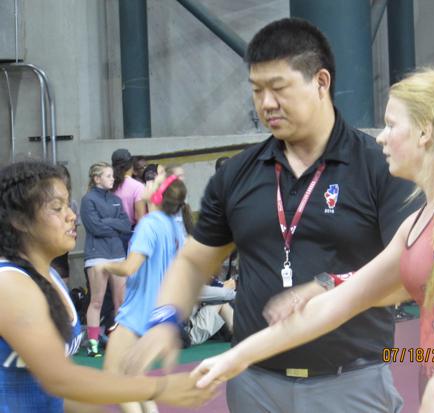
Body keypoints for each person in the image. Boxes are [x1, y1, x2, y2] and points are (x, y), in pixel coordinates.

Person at [193, 69, 434, 413]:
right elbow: (335, 305)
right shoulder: (418, 223)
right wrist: (238, 356)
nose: (381, 138)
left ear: (424, 132)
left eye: (390, 125)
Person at [127, 18, 417, 413]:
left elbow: (406, 276)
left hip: (351, 382)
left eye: (278, 88)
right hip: (255, 385)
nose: (265, 103)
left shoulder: (379, 167)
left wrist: (327, 287)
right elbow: (195, 260)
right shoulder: (237, 174)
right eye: (256, 90)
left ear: (321, 82)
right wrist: (164, 319)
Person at [0, 161, 216, 412]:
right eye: (57, 208)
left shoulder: (49, 277)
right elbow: (60, 380)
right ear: (19, 220)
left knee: (123, 372)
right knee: (126, 373)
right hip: (145, 309)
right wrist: (160, 388)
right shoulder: (11, 283)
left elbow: (57, 393)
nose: (72, 216)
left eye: (68, 206)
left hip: (142, 309)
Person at [99, 175, 187, 413]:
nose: (147, 183)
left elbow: (129, 267)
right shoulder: (174, 227)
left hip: (137, 313)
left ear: (158, 195)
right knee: (136, 378)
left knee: (114, 377)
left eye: (153, 182)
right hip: (158, 313)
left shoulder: (148, 225)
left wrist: (106, 265)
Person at [80, 162, 132, 357]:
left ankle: (120, 342)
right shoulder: (88, 200)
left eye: (112, 175)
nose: (113, 179)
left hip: (117, 255)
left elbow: (126, 225)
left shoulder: (115, 199)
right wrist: (115, 226)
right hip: (97, 256)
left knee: (121, 301)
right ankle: (93, 344)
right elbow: (94, 227)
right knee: (97, 301)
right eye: (108, 176)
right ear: (97, 179)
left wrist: (108, 222)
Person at [111, 148, 146, 230]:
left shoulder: (109, 184)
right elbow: (140, 218)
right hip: (131, 232)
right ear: (131, 165)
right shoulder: (138, 186)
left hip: (112, 232)